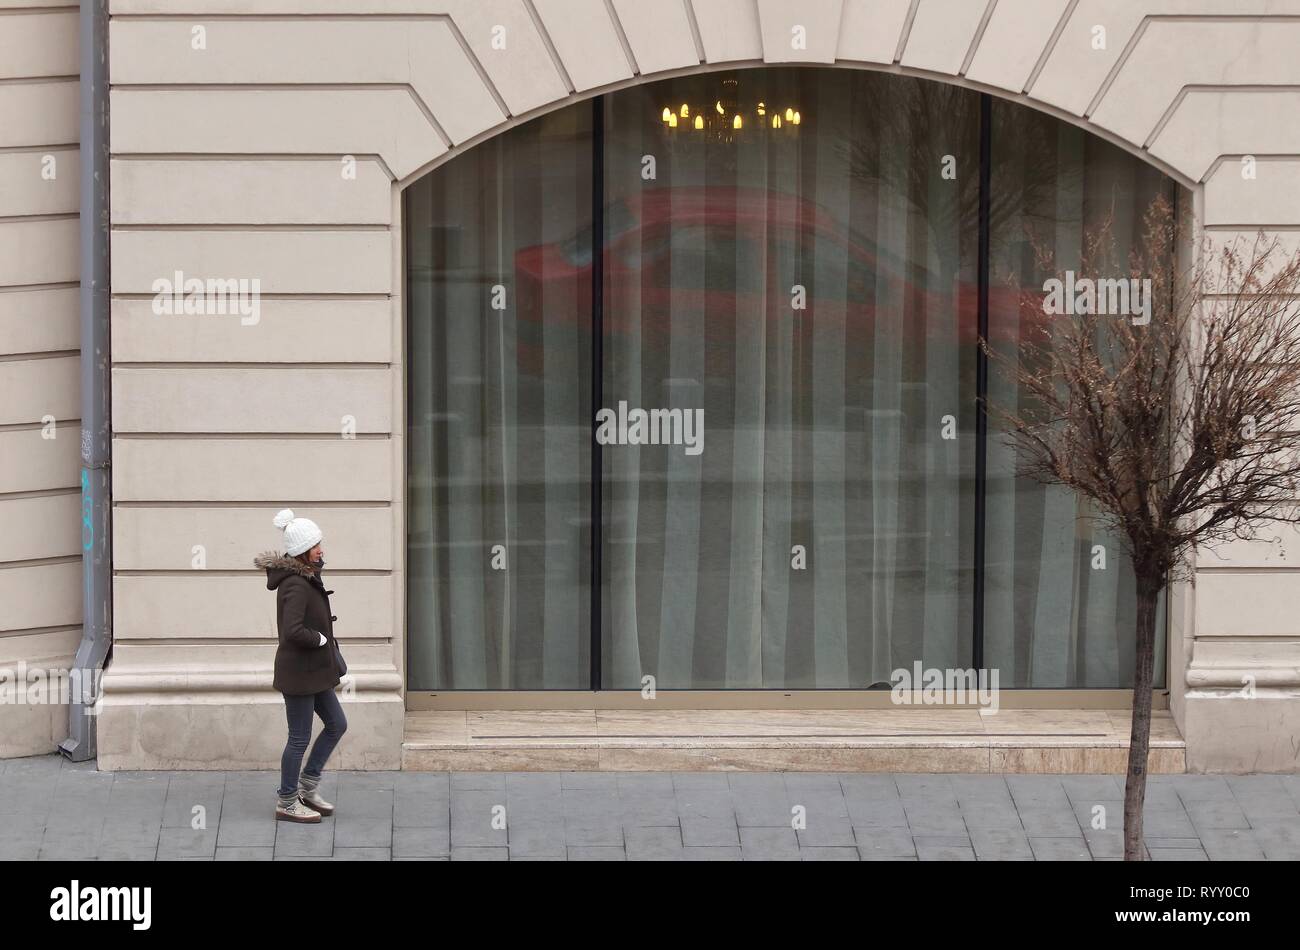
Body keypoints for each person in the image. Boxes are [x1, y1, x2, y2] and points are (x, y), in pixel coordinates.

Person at [254, 509, 348, 823]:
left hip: (316, 672)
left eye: (320, 543)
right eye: (316, 545)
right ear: (302, 552)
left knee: (337, 724)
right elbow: (292, 631)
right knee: (299, 738)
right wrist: (320, 640)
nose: (321, 549)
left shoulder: (308, 576)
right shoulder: (295, 584)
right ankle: (286, 800)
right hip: (299, 673)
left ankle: (307, 786)